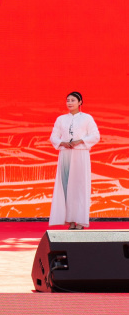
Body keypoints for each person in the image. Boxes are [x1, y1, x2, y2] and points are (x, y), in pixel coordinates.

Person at [49, 92, 100, 230]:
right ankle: (71, 221)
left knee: (80, 187)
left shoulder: (87, 118)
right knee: (66, 187)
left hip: (80, 154)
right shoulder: (61, 119)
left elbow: (95, 135)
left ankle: (81, 221)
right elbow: (54, 136)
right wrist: (62, 142)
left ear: (80, 102)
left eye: (73, 100)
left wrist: (80, 141)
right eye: (68, 100)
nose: (70, 103)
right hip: (65, 154)